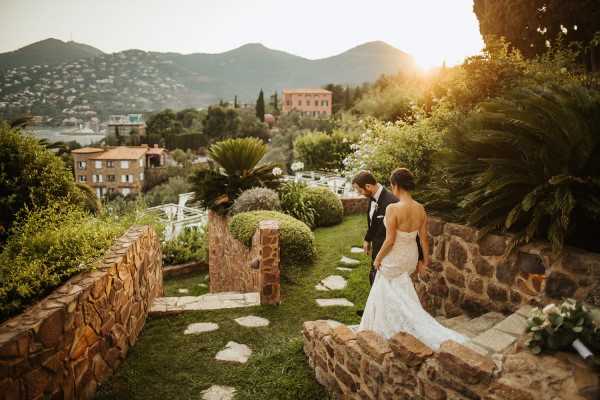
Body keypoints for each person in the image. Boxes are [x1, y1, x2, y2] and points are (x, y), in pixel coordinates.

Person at [356, 168, 467, 349]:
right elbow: (423, 239)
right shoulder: (420, 208)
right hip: (410, 257)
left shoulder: (393, 208)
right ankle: (402, 322)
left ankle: (386, 329)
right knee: (399, 290)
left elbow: (390, 240)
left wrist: (378, 259)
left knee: (383, 289)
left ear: (396, 185)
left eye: (392, 185)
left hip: (395, 257)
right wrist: (425, 261)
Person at [351, 171, 423, 317]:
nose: (359, 194)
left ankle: (384, 314)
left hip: (390, 252)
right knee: (374, 279)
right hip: (377, 246)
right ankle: (374, 310)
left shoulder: (392, 201)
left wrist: (421, 257)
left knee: (384, 284)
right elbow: (374, 223)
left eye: (359, 190)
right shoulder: (372, 198)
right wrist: (367, 239)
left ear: (368, 186)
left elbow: (411, 233)